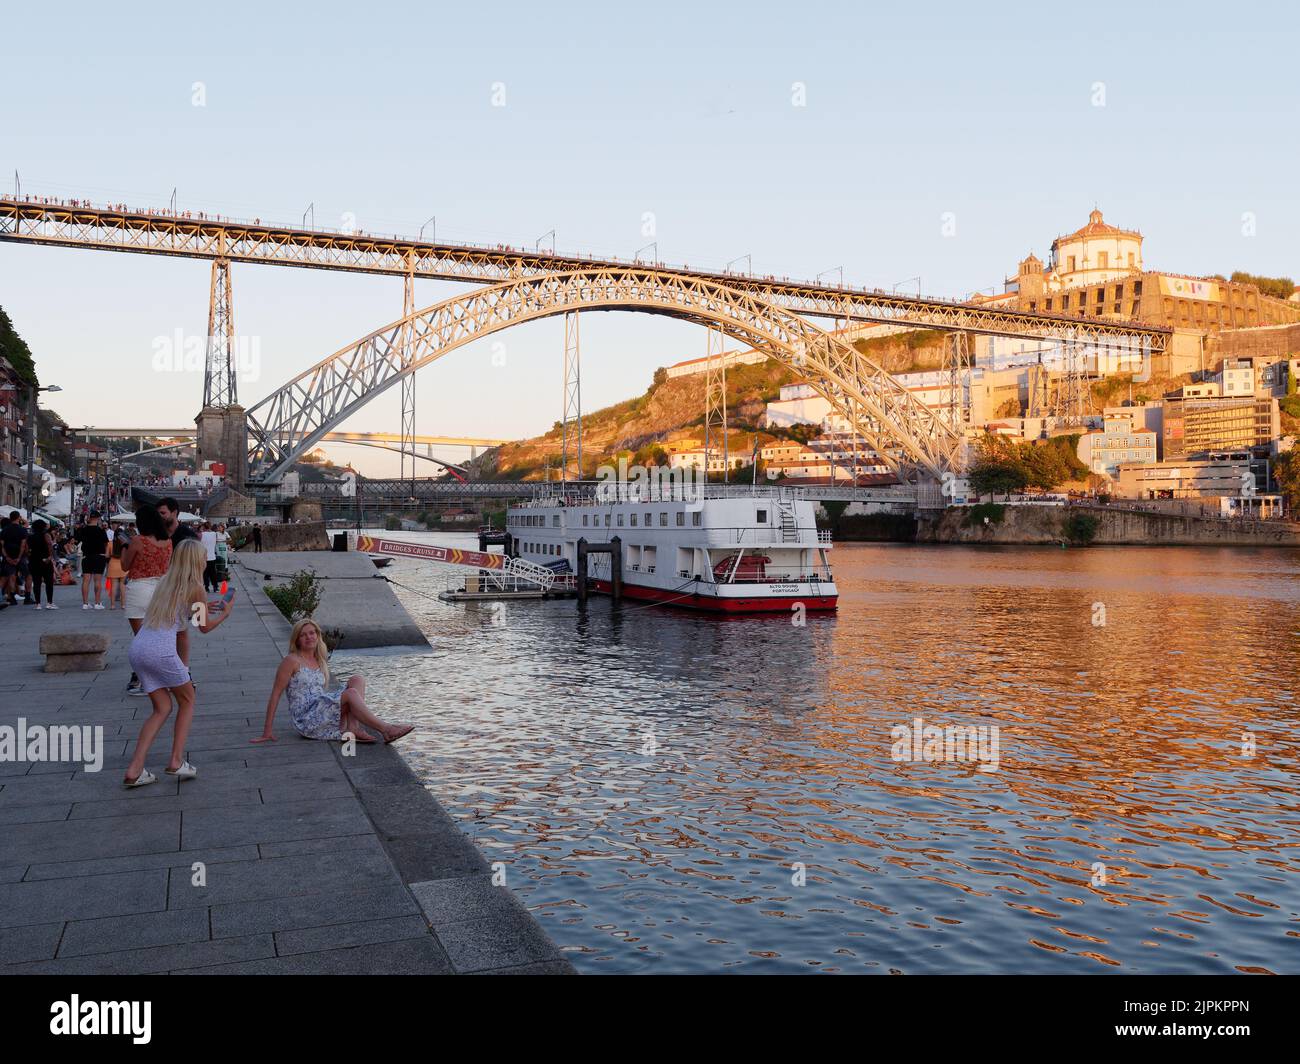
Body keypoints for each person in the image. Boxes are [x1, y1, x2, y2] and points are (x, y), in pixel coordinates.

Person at [122, 539, 234, 787]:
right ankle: (175, 760)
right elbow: (203, 627)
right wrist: (224, 614)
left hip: (138, 649)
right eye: (204, 556)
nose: (206, 559)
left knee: (161, 708)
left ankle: (135, 769)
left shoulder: (164, 582)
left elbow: (182, 613)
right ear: (196, 560)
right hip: (161, 651)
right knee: (188, 700)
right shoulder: (196, 586)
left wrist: (204, 606)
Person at [253, 618, 413, 745]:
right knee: (350, 694)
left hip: (322, 708)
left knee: (357, 679)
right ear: (297, 640)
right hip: (307, 719)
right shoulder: (291, 661)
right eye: (303, 635)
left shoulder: (319, 660)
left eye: (312, 633)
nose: (309, 637)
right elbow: (275, 694)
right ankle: (386, 729)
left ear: (317, 635)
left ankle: (353, 727)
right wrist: (267, 731)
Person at [121, 504, 173, 696]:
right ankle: (164, 678)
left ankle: (146, 682)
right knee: (159, 637)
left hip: (139, 589)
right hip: (161, 590)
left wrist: (125, 546)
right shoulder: (168, 541)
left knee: (141, 640)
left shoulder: (137, 540)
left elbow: (125, 566)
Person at [157, 497, 198, 682]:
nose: (160, 516)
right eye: (158, 513)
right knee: (163, 631)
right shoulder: (157, 534)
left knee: (180, 631)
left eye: (163, 513)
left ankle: (183, 669)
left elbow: (196, 565)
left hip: (182, 588)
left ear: (174, 513)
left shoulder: (186, 534)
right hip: (160, 588)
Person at [75, 512, 110, 610]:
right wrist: (106, 553)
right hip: (99, 556)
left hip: (86, 557)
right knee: (97, 580)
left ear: (90, 518)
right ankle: (97, 603)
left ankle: (85, 604)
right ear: (98, 518)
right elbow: (106, 544)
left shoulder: (83, 530)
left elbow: (77, 540)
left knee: (86, 580)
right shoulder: (101, 530)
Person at [1, 511, 30, 606]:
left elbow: (2, 545)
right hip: (20, 557)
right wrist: (19, 557)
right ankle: (28, 597)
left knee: (11, 576)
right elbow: (23, 545)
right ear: (18, 517)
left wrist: (7, 557)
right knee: (28, 576)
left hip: (8, 556)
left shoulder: (4, 530)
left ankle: (12, 598)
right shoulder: (22, 530)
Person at [27, 519, 57, 609]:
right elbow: (50, 545)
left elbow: (27, 550)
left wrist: (30, 557)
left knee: (36, 582)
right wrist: (50, 557)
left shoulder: (30, 537)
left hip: (34, 561)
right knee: (49, 582)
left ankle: (38, 604)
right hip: (45, 561)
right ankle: (49, 603)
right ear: (43, 526)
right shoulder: (46, 535)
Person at [106, 528, 128, 609]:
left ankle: (112, 605)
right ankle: (123, 605)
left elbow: (107, 555)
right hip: (123, 565)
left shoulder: (110, 543)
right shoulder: (125, 544)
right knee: (123, 586)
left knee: (113, 586)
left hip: (113, 565)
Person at [199, 522, 218, 592]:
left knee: (205, 573)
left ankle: (206, 587)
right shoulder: (214, 534)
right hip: (212, 556)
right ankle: (215, 586)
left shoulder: (201, 534)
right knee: (213, 573)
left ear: (204, 527)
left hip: (203, 556)